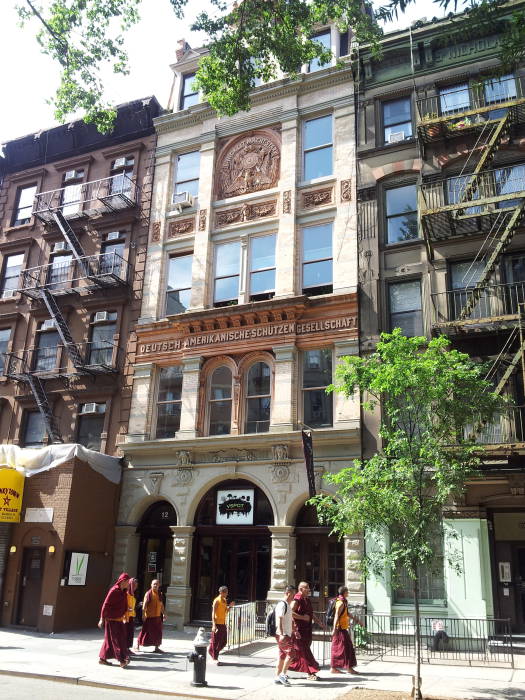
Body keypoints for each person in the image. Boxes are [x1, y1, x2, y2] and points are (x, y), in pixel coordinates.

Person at [288, 581, 322, 681]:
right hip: (299, 631)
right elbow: (290, 613)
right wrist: (302, 618)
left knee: (297, 654)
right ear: (301, 589)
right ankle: (311, 673)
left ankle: (282, 671)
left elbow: (310, 613)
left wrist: (319, 621)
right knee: (304, 652)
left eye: (308, 587)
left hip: (306, 630)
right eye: (307, 588)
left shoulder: (306, 599)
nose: (309, 589)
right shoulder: (297, 599)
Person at [98, 572, 130, 668]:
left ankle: (102, 658)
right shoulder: (113, 591)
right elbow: (105, 605)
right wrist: (101, 619)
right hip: (112, 619)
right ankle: (122, 660)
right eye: (127, 581)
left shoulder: (123, 591)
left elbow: (124, 604)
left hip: (119, 619)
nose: (128, 583)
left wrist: (125, 614)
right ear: (122, 581)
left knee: (110, 640)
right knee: (116, 640)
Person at [330, 586, 361, 675]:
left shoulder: (343, 601)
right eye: (347, 592)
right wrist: (334, 629)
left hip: (342, 628)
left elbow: (346, 613)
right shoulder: (340, 603)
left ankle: (334, 668)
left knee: (339, 649)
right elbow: (336, 616)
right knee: (346, 648)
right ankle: (349, 668)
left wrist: (357, 620)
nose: (348, 593)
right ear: (344, 593)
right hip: (339, 629)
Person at [274, 585, 297, 687]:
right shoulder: (282, 604)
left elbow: (289, 619)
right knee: (291, 653)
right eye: (293, 594)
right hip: (283, 634)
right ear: (288, 593)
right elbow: (279, 619)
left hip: (286, 633)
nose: (294, 597)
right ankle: (282, 675)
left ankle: (277, 676)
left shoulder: (287, 605)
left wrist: (295, 630)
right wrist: (282, 633)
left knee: (282, 655)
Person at [136, 579, 166, 653]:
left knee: (158, 633)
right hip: (149, 617)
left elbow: (161, 605)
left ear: (159, 585)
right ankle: (137, 645)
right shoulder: (148, 593)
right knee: (145, 632)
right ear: (151, 585)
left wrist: (164, 613)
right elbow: (144, 605)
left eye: (157, 584)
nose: (156, 585)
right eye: (154, 584)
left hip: (157, 617)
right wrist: (143, 615)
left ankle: (156, 648)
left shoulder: (160, 594)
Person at [208, 585, 235, 665]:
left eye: (226, 592)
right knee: (216, 642)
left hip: (223, 623)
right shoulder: (217, 600)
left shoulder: (224, 600)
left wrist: (230, 606)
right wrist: (213, 625)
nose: (226, 594)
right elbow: (213, 612)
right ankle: (215, 657)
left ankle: (211, 651)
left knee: (223, 641)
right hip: (217, 623)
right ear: (221, 592)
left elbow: (225, 611)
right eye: (225, 592)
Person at [125, 578, 138, 654]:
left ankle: (127, 648)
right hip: (126, 617)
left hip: (131, 616)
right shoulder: (126, 594)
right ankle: (124, 649)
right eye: (133, 585)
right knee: (125, 633)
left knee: (130, 634)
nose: (135, 587)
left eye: (136, 586)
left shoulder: (132, 594)